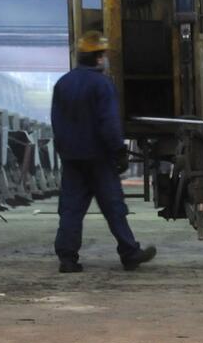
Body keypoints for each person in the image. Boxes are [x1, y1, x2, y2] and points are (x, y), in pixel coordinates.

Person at [51, 30, 157, 273]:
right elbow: (108, 122)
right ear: (98, 58)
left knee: (71, 209)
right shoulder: (102, 84)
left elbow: (56, 121)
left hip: (72, 158)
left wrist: (64, 150)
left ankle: (67, 259)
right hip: (99, 158)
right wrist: (119, 151)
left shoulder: (63, 83)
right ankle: (129, 253)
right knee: (113, 207)